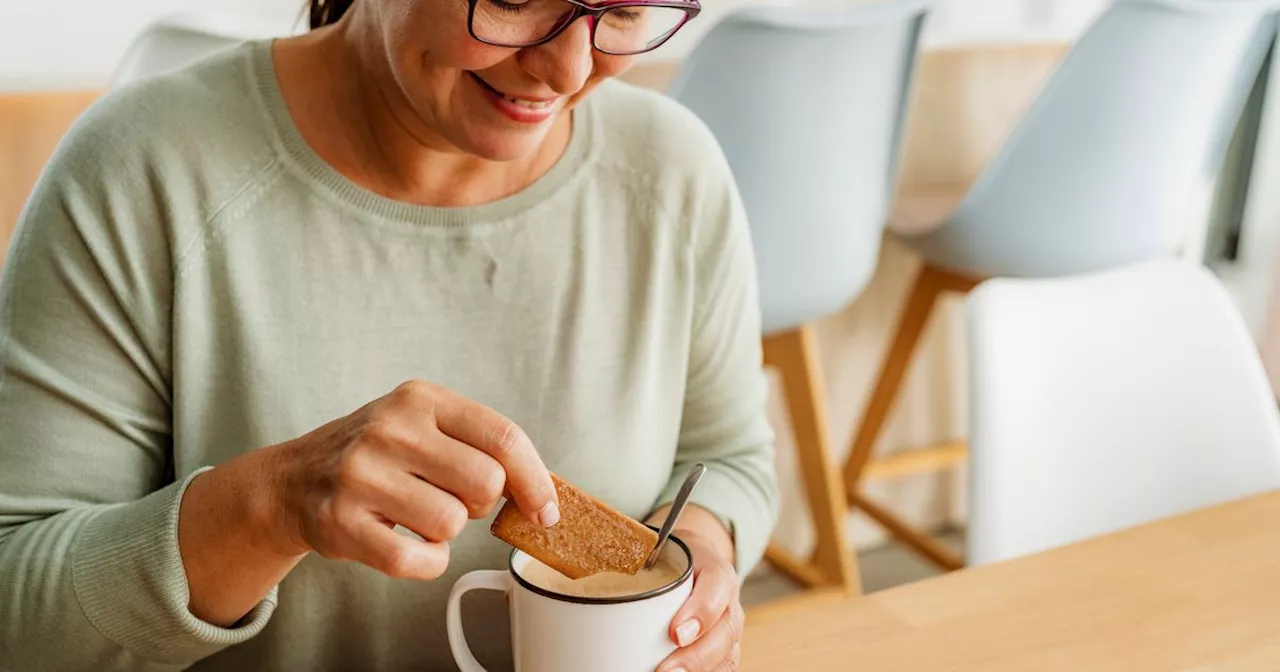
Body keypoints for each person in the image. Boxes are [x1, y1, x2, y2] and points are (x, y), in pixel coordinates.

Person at [0, 0, 778, 669]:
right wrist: (272, 508)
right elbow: (17, 617)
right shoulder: (142, 170)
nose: (567, 71)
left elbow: (726, 457)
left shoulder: (673, 172)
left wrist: (700, 555)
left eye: (624, 10)